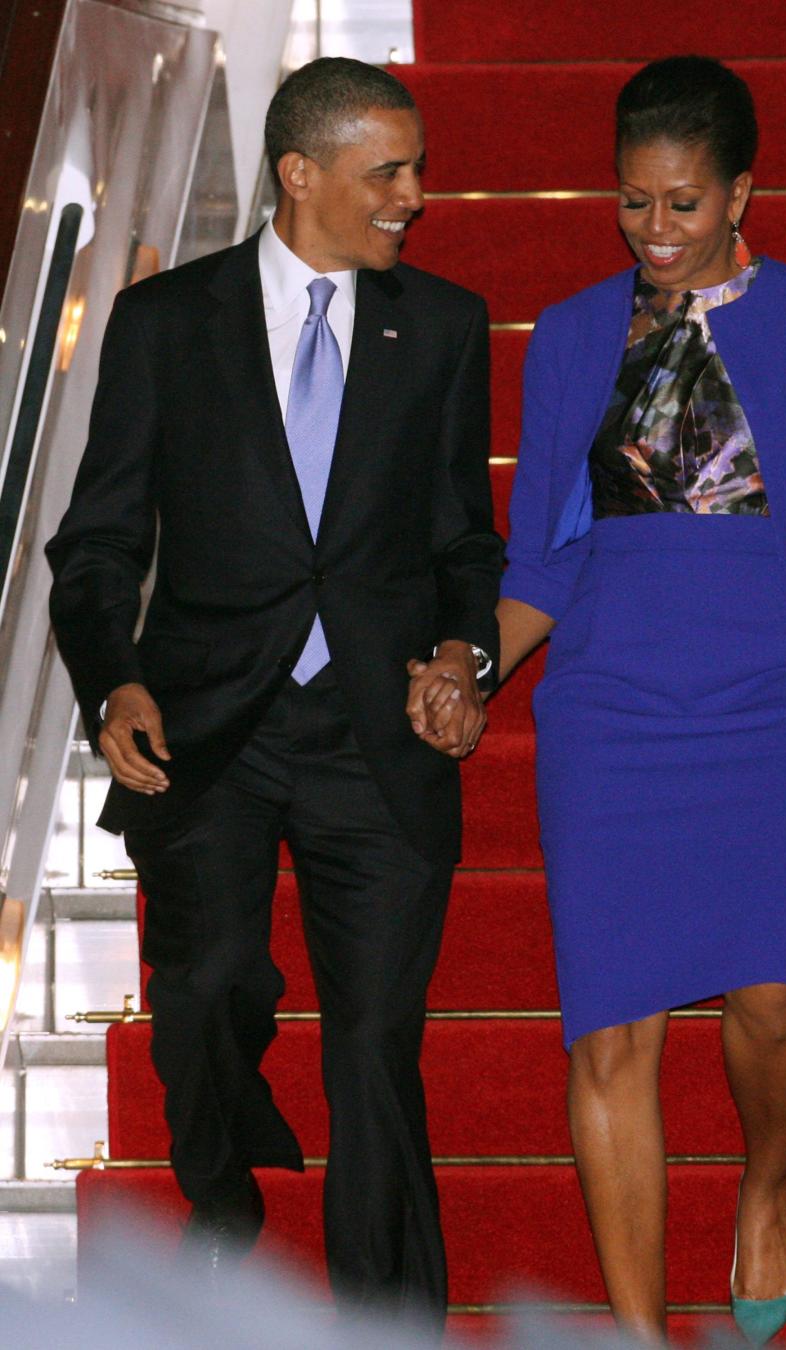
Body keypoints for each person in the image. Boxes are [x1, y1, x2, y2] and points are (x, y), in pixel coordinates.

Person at [491, 55, 786, 1346]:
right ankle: (640, 1331)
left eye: (682, 204)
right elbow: (538, 557)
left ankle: (764, 1181)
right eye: (632, 203)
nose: (654, 232)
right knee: (610, 1034)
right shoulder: (577, 333)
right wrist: (468, 670)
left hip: (780, 689)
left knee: (777, 997)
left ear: (743, 192)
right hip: (611, 701)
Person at [46, 57, 501, 1328]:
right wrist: (113, 680)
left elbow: (468, 541)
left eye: (417, 167)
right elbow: (93, 546)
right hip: (212, 726)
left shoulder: (443, 326)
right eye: (390, 172)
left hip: (375, 731)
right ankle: (219, 1201)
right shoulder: (164, 321)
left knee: (373, 1047)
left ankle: (389, 1312)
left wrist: (466, 656)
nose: (415, 195)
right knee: (207, 989)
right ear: (301, 175)